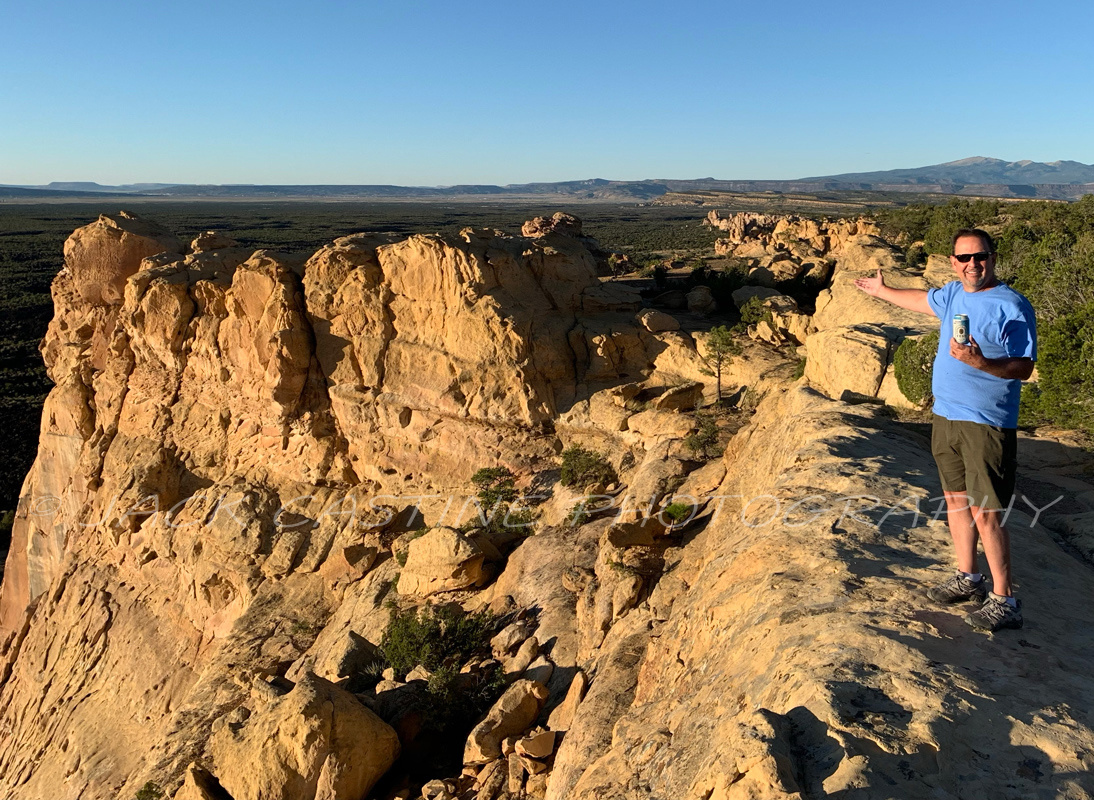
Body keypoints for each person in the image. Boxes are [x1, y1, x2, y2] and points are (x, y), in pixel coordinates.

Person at [854, 228, 1036, 632]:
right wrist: (883, 291)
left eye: (980, 256)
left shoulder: (1012, 305)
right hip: (947, 416)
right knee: (956, 501)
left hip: (986, 422)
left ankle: (1005, 600)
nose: (973, 264)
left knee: (986, 512)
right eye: (965, 258)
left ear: (992, 257)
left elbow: (1023, 367)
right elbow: (922, 301)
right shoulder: (953, 293)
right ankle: (968, 577)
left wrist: (981, 363)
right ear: (954, 262)